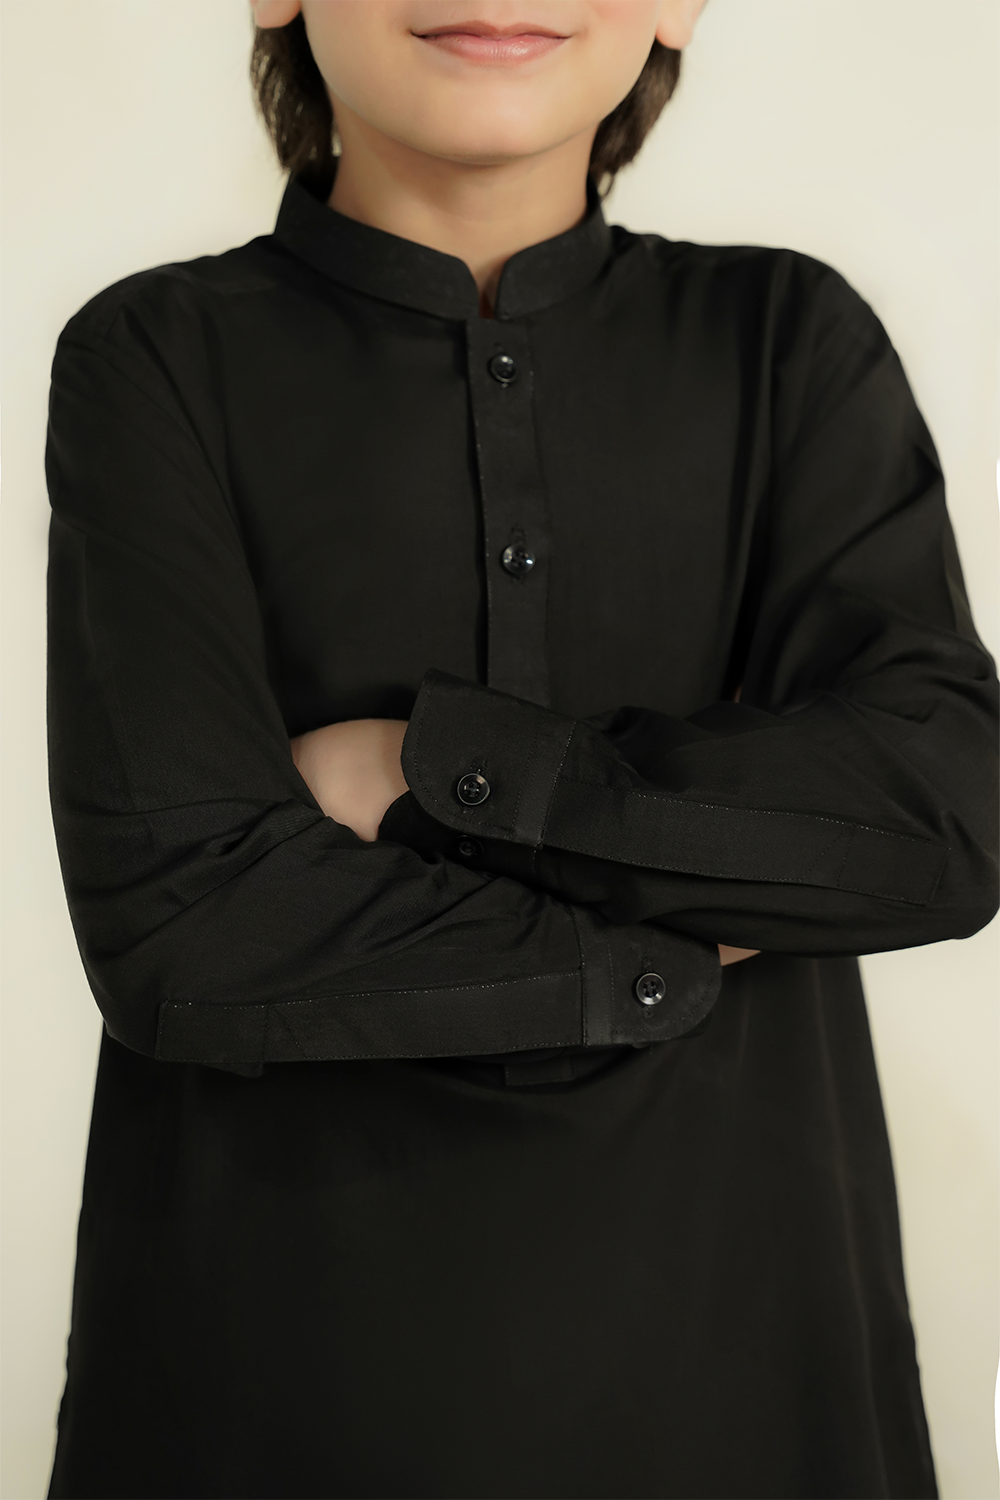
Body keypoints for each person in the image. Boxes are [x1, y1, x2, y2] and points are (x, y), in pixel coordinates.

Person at [43, 2, 1000, 1496]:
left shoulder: (789, 343)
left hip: (750, 1390)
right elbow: (184, 923)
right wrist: (704, 915)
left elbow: (946, 819)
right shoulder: (152, 358)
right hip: (273, 1395)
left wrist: (432, 772)